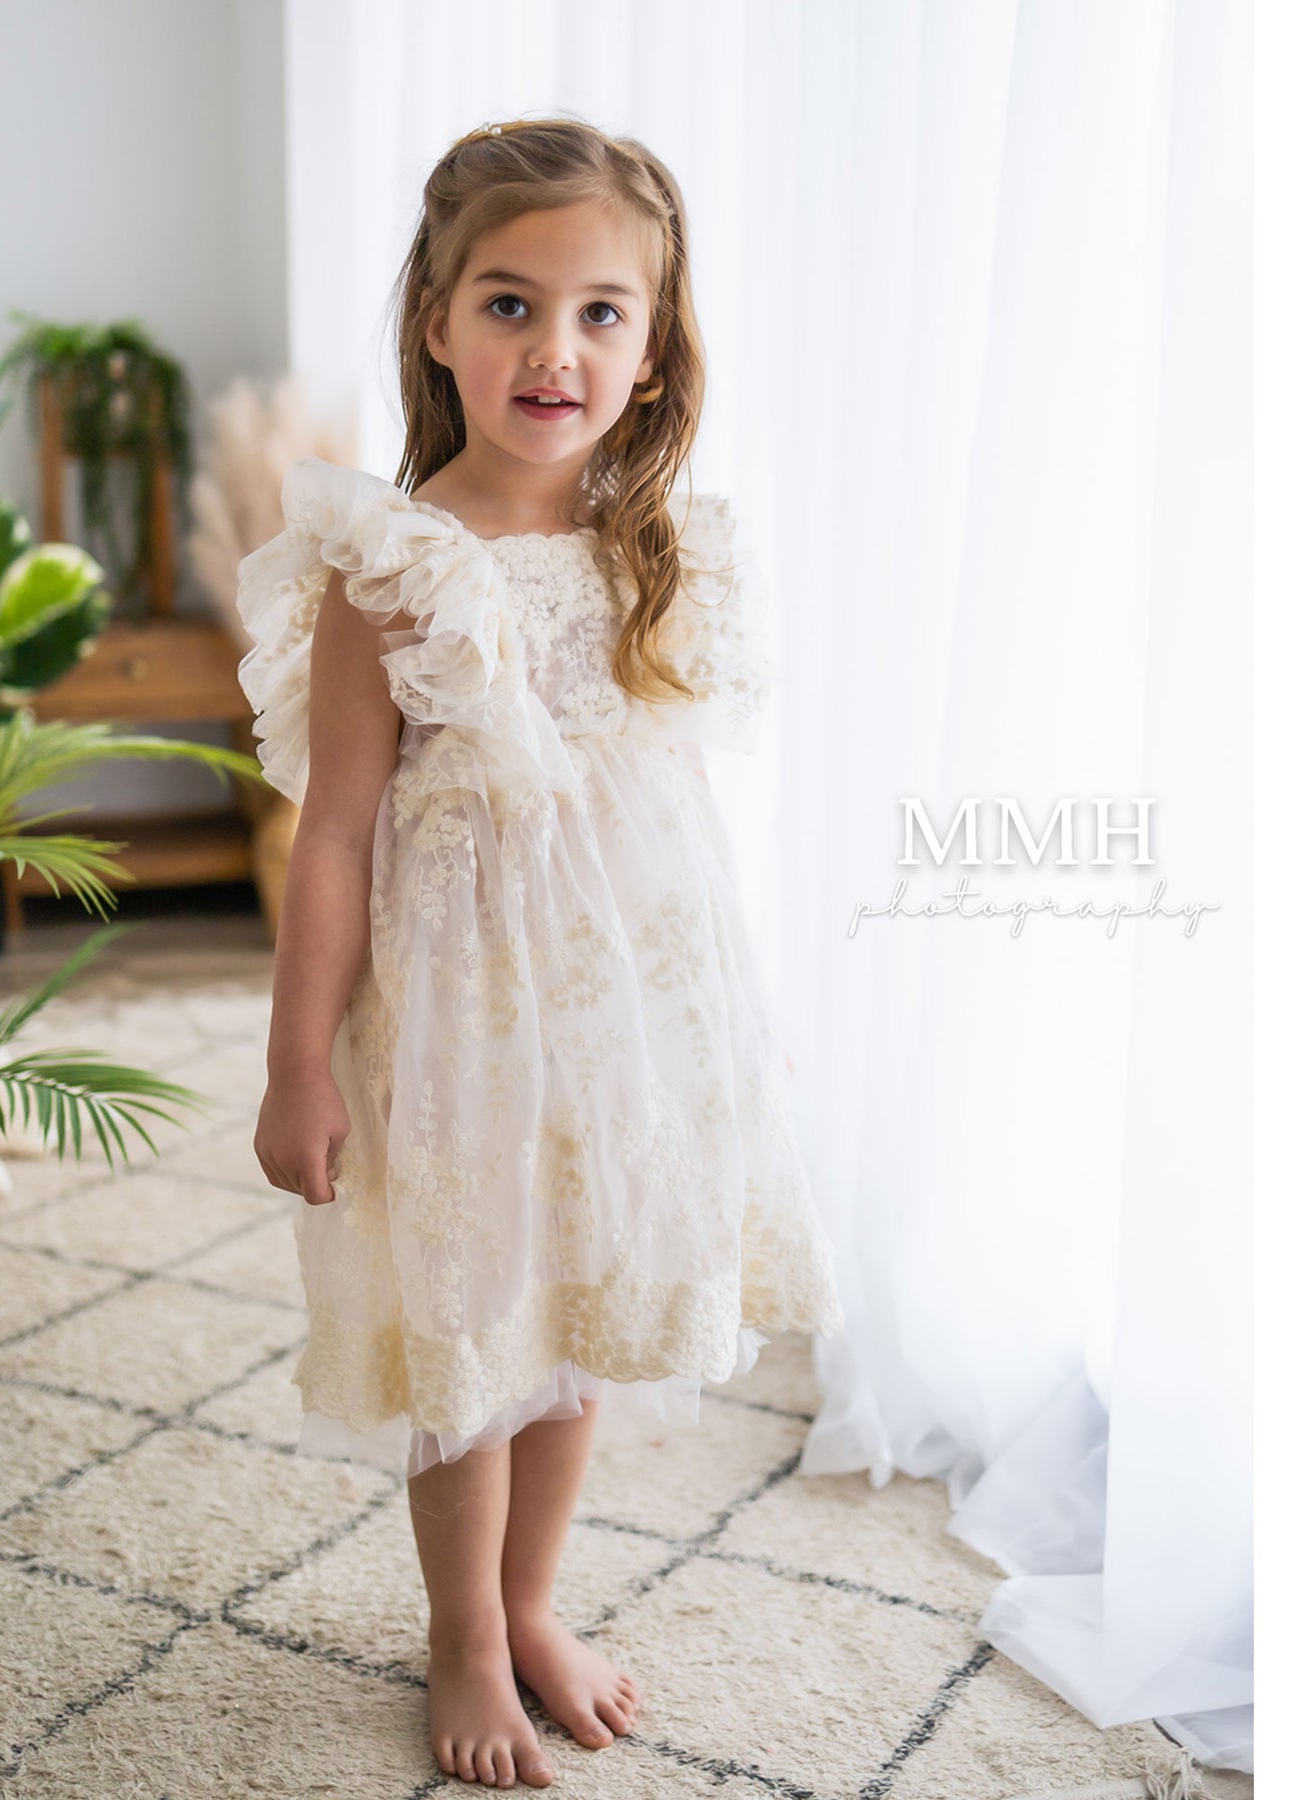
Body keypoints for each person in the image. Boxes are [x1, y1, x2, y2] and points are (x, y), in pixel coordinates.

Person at [238, 115, 844, 1790]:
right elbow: (337, 834)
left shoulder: (661, 551)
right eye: (509, 303)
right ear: (436, 320)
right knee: (474, 1324)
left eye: (599, 312)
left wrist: (722, 1026)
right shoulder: (392, 569)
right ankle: (459, 1632)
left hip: (627, 1006)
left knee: (580, 1307)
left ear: (652, 350)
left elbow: (672, 813)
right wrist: (296, 1067)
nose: (552, 349)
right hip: (459, 1017)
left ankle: (529, 1605)